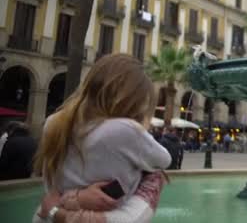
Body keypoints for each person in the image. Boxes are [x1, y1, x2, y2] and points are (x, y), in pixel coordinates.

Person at [32, 54, 171, 222]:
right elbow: (164, 160)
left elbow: (50, 187)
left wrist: (74, 199)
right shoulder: (125, 128)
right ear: (132, 99)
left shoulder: (53, 123)